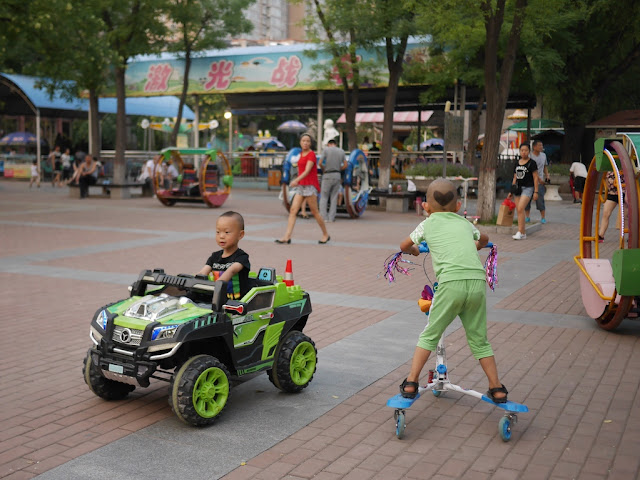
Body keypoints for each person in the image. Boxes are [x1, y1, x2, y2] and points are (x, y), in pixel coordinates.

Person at [397, 179, 508, 403]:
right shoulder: (465, 223)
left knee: (430, 334)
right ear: (458, 206)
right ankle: (497, 388)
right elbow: (484, 239)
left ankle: (411, 382)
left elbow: (403, 246)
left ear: (425, 207)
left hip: (451, 284)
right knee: (479, 340)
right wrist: (475, 245)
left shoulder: (427, 223)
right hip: (477, 283)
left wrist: (416, 251)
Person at [276, 133, 330, 244]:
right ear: (300, 142)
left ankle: (325, 234)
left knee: (315, 212)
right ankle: (287, 236)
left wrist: (296, 180)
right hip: (301, 186)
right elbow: (299, 170)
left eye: (308, 141)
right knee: (293, 210)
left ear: (310, 143)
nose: (305, 143)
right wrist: (297, 180)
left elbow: (307, 171)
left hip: (310, 186)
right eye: (303, 141)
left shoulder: (311, 155)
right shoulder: (300, 154)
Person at [196, 211, 251, 300]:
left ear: (240, 235)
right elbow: (202, 273)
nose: (221, 236)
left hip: (237, 303)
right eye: (218, 232)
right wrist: (192, 282)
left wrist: (216, 285)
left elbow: (231, 271)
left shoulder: (242, 257)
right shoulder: (215, 257)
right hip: (217, 299)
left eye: (227, 232)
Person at [508, 143, 539, 240]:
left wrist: (536, 191)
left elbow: (535, 178)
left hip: (528, 188)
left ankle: (520, 232)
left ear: (529, 151)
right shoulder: (517, 162)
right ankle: (522, 232)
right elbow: (514, 177)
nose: (524, 152)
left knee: (521, 207)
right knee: (519, 210)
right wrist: (511, 191)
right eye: (522, 150)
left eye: (526, 150)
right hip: (518, 188)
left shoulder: (532, 163)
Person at [319, 138, 347, 223]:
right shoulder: (341, 151)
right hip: (337, 175)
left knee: (324, 197)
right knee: (334, 197)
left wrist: (324, 169)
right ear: (336, 144)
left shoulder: (326, 150)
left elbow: (320, 163)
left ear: (328, 144)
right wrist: (339, 169)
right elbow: (345, 165)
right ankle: (331, 218)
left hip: (327, 175)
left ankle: (324, 217)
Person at [525, 140, 550, 223]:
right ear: (534, 147)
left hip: (540, 183)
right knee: (527, 200)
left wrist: (547, 175)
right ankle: (527, 217)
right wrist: (539, 179)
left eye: (542, 145)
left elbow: (545, 166)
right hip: (529, 181)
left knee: (540, 200)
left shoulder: (543, 155)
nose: (541, 147)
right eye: (539, 145)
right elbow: (531, 170)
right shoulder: (530, 156)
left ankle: (543, 218)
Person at [598, 171, 625, 243]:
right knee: (606, 213)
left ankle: (631, 234)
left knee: (626, 215)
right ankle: (601, 234)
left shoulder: (625, 166)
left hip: (624, 193)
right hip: (612, 193)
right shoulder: (609, 169)